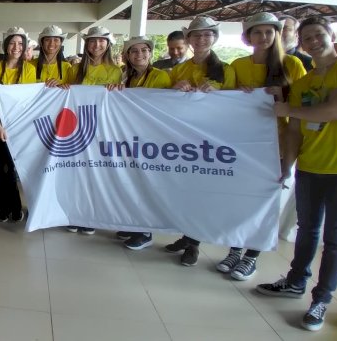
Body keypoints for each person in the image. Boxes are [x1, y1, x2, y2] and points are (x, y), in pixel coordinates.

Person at [256, 16, 337, 332]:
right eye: (307, 37)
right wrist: (287, 166)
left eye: (318, 35)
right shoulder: (303, 84)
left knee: (335, 237)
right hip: (310, 167)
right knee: (307, 227)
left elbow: (335, 110)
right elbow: (294, 132)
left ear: (330, 35)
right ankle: (296, 280)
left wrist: (286, 109)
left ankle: (321, 299)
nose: (313, 41)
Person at [218, 12, 305, 279]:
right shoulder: (237, 64)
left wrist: (284, 95)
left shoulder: (292, 64)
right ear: (248, 36)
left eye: (269, 32)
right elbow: (224, 102)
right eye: (257, 32)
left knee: (265, 201)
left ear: (278, 34)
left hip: (276, 145)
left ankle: (252, 256)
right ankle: (234, 248)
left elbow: (303, 106)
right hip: (242, 144)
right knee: (240, 199)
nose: (263, 37)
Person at [165, 16, 235, 266]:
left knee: (202, 192)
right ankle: (186, 235)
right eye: (196, 35)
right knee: (184, 190)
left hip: (210, 141)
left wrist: (219, 94)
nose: (201, 39)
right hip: (182, 139)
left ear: (214, 37)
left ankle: (194, 243)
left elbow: (236, 104)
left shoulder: (226, 69)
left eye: (207, 35)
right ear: (189, 39)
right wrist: (175, 89)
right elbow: (163, 102)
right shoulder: (179, 70)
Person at [111, 36, 172, 250]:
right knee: (132, 182)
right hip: (131, 137)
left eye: (144, 50)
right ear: (127, 55)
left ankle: (146, 231)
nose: (139, 55)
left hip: (150, 139)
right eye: (134, 51)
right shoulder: (127, 77)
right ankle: (134, 223)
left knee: (146, 183)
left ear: (150, 53)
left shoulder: (159, 76)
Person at [65, 26, 121, 235]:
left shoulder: (115, 71)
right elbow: (66, 95)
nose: (97, 45)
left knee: (95, 173)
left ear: (107, 45)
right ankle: (75, 213)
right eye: (92, 41)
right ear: (87, 44)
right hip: (77, 129)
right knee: (76, 172)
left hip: (101, 129)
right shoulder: (76, 69)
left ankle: (90, 216)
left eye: (101, 41)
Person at [0, 27, 37, 223]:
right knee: (0, 168)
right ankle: (5, 207)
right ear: (6, 46)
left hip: (19, 129)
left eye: (20, 43)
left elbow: (27, 100)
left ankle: (14, 206)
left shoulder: (30, 69)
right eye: (12, 43)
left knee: (12, 168)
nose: (16, 47)